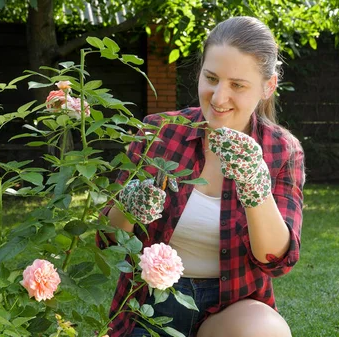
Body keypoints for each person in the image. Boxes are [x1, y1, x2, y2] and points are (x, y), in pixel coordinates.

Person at [97, 16, 305, 337]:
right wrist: (128, 205)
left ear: (268, 87)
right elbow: (107, 238)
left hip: (229, 309)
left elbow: (276, 262)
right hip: (149, 303)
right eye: (211, 78)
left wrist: (255, 188)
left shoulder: (282, 150)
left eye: (237, 85)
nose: (219, 98)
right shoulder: (159, 132)